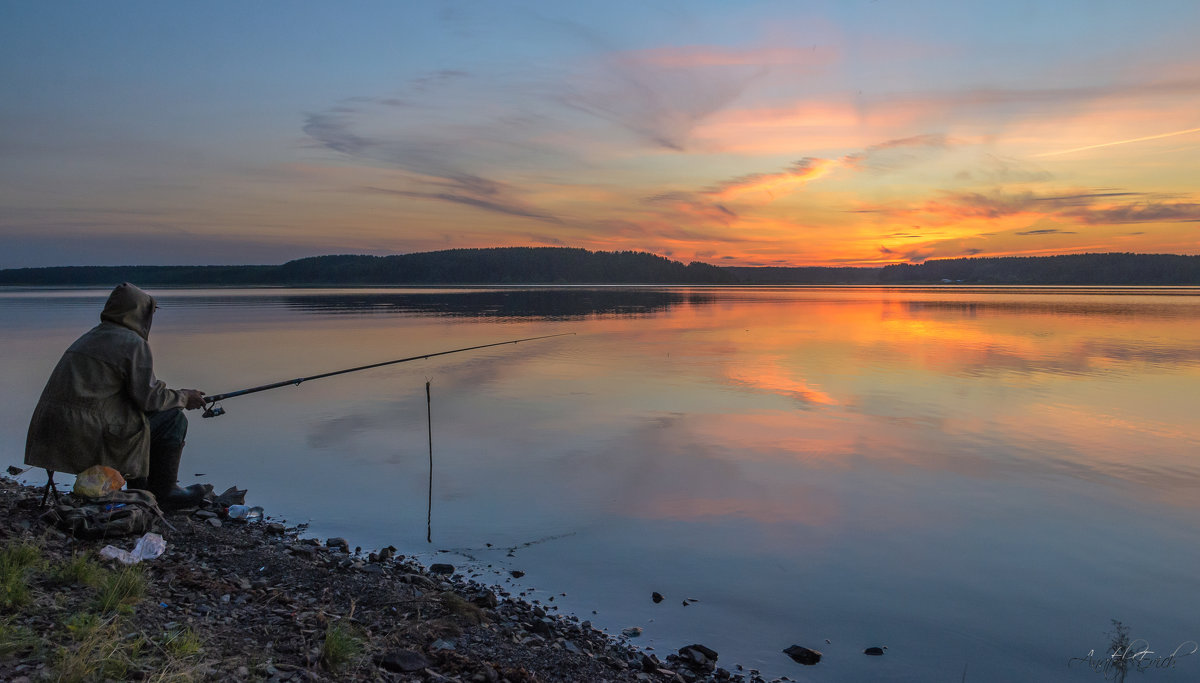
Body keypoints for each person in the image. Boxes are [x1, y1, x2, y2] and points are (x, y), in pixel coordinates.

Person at [25, 283, 207, 509]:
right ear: (139, 313)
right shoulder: (132, 343)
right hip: (88, 437)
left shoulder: (90, 337)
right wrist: (184, 397)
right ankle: (163, 492)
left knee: (141, 417)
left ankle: (140, 487)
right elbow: (150, 399)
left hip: (52, 434)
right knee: (173, 419)